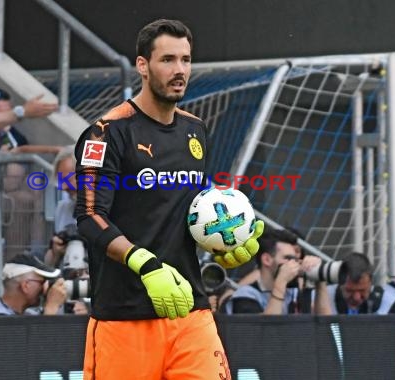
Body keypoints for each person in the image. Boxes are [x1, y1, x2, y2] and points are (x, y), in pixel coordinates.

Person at [74, 19, 263, 380]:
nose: (180, 71)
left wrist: (222, 242)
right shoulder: (106, 132)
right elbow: (89, 215)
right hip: (124, 317)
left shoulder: (196, 129)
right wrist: (145, 263)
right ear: (142, 65)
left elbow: (188, 212)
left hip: (189, 311)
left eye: (186, 60)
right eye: (168, 60)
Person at [223, 229, 331, 315]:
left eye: (295, 259)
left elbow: (326, 327)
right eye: (288, 258)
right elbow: (265, 333)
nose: (293, 263)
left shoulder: (294, 293)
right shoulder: (245, 295)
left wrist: (320, 278)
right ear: (267, 260)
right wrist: (281, 282)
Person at [0, 87, 63, 154]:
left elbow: (22, 150)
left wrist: (56, 150)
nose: (6, 119)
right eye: (1, 114)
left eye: (9, 112)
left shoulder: (17, 137)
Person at [0, 254, 66, 316]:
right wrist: (51, 308)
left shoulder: (26, 314)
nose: (44, 288)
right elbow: (41, 339)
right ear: (26, 286)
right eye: (42, 282)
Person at [326, 252, 395, 315]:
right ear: (339, 283)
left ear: (371, 283)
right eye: (349, 291)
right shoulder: (322, 297)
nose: (356, 297)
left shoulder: (389, 303)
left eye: (362, 290)